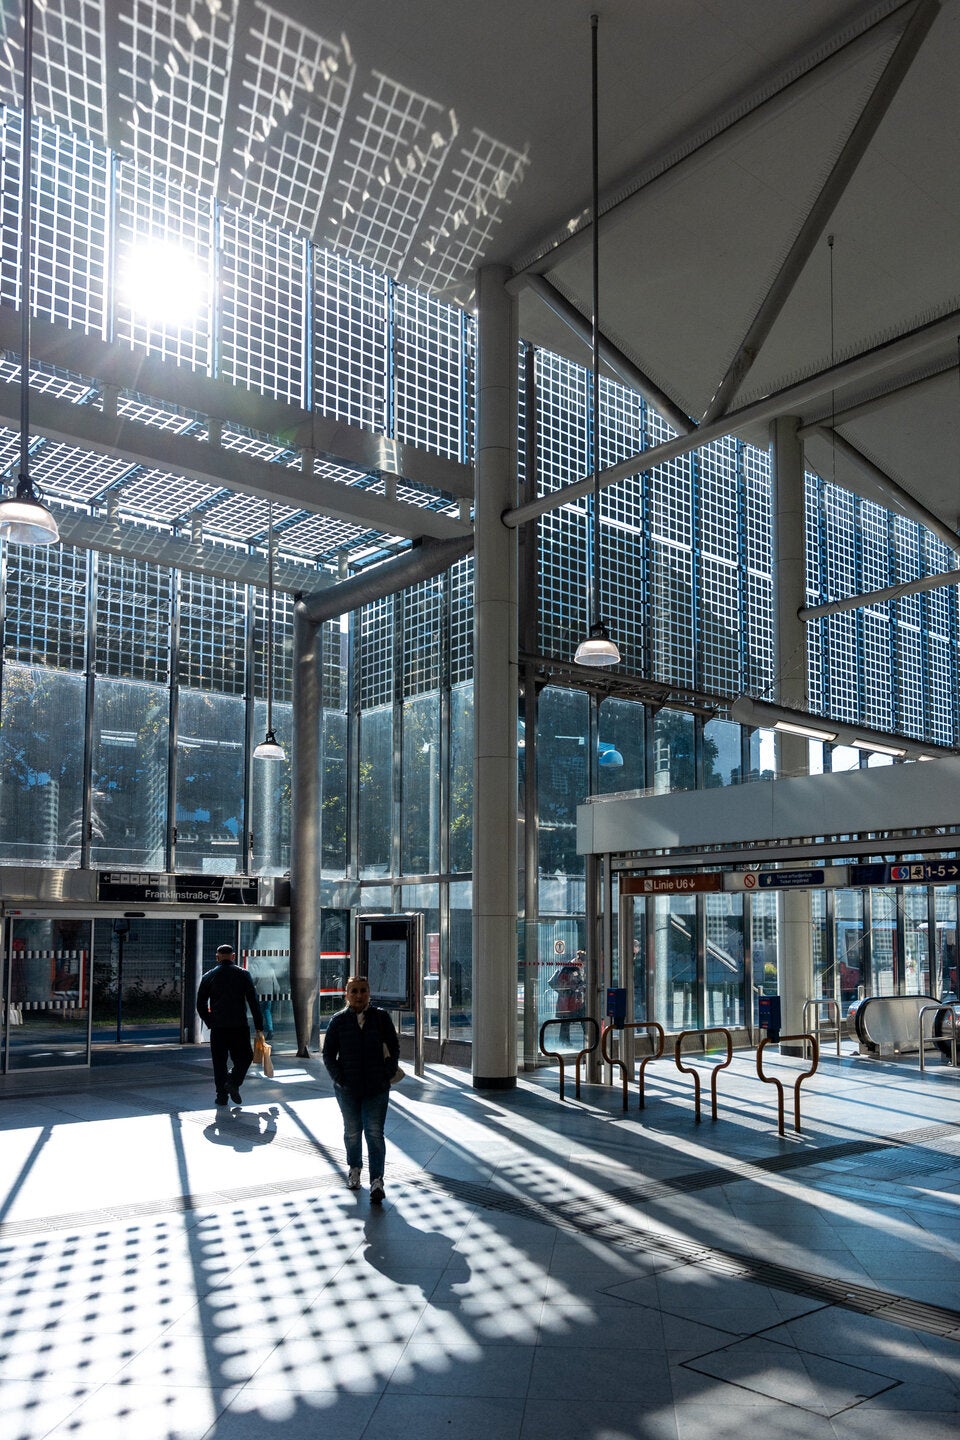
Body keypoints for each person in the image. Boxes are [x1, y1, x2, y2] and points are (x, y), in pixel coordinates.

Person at [322, 975, 399, 1204]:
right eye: (354, 991)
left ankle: (377, 1180)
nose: (358, 995)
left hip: (376, 1087)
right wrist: (339, 1077)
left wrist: (387, 1073)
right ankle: (354, 1168)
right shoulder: (338, 1021)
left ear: (369, 993)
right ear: (346, 994)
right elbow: (328, 1055)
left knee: (375, 1133)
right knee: (353, 1131)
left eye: (363, 990)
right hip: (348, 1088)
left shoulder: (381, 1018)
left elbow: (393, 1048)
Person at [196, 943, 265, 1110]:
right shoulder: (243, 974)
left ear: (217, 957)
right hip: (238, 1026)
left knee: (219, 1062)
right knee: (245, 1057)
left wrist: (210, 1021)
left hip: (218, 1028)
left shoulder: (209, 976)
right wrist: (259, 1025)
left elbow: (200, 1004)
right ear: (233, 957)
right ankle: (233, 1081)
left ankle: (221, 1097)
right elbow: (253, 1002)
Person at [549, 951, 585, 1045]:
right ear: (578, 960)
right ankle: (566, 1041)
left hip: (570, 1000)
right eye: (582, 963)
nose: (583, 965)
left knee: (567, 1021)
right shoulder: (570, 968)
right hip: (568, 1000)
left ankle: (565, 1041)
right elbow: (566, 983)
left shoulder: (572, 968)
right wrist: (577, 987)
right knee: (570, 1020)